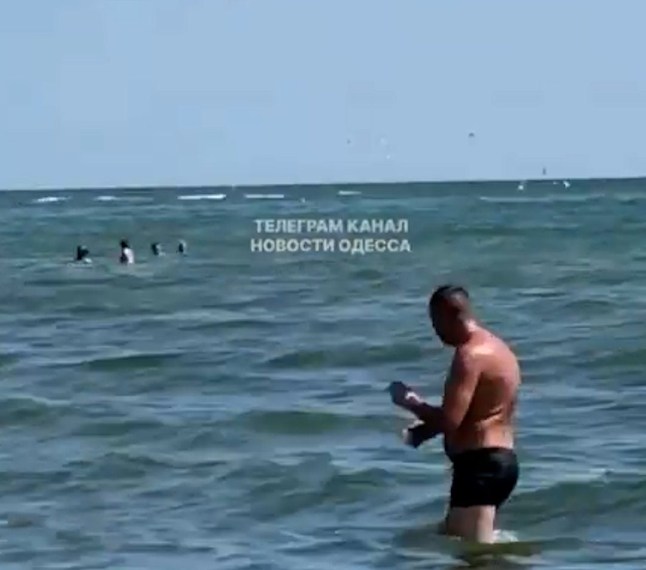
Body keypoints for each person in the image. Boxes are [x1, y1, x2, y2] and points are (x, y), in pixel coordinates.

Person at [389, 285, 521, 544]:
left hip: (481, 466)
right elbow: (478, 414)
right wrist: (423, 433)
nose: (435, 332)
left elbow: (450, 420)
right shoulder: (498, 348)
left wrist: (410, 401)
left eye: (435, 322)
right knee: (451, 541)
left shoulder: (469, 355)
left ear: (447, 315)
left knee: (474, 555)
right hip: (496, 462)